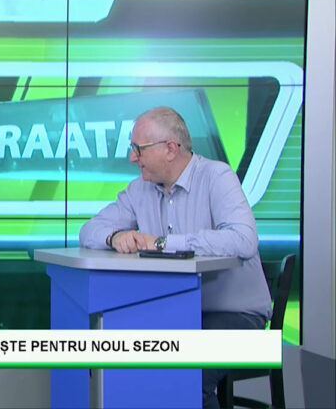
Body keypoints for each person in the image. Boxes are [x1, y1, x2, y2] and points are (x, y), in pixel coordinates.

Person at [79, 106, 272, 409]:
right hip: (174, 313)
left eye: (138, 149)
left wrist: (162, 243)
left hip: (235, 313)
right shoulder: (139, 190)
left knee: (186, 375)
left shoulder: (217, 176)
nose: (132, 158)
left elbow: (244, 240)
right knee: (126, 361)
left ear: (170, 148)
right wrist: (114, 236)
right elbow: (89, 230)